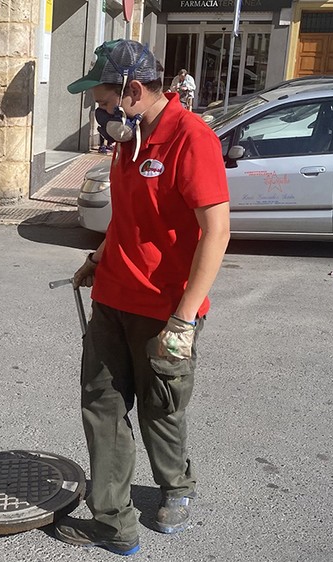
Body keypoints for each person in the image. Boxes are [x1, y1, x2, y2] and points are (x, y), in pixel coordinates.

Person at [57, 40, 230, 556]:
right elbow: (131, 219)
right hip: (113, 299)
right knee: (103, 409)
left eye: (105, 97)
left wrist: (182, 320)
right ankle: (114, 523)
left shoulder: (191, 139)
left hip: (165, 311)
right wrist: (99, 256)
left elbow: (215, 232)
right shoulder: (127, 141)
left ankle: (177, 485)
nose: (100, 109)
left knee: (161, 410)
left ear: (133, 91)